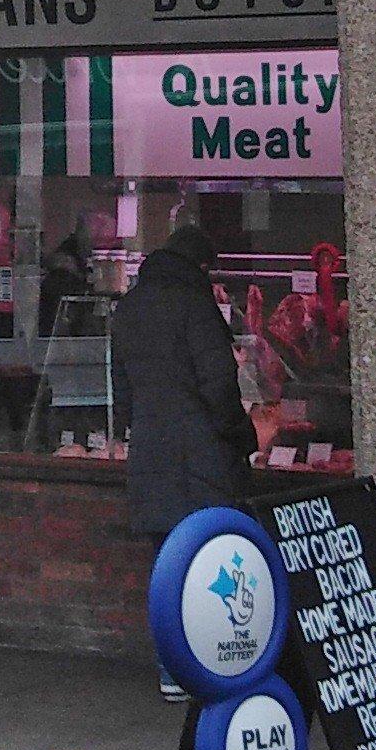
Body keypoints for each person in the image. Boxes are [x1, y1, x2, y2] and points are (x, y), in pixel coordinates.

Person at [110, 219, 252, 698]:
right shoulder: (195, 307)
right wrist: (239, 434)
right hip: (201, 458)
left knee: (167, 566)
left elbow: (123, 390)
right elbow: (219, 385)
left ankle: (171, 669)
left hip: (151, 453)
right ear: (198, 264)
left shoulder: (129, 308)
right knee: (209, 565)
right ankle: (203, 669)